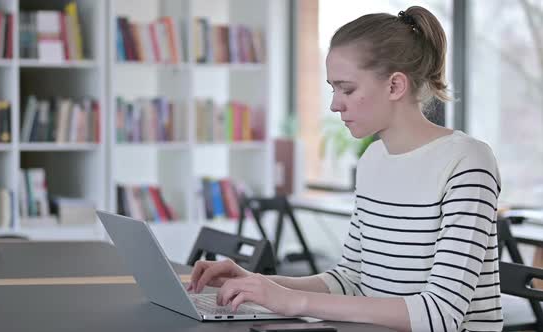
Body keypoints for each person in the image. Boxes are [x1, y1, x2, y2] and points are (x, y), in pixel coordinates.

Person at [188, 6, 502, 332]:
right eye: (333, 88)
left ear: (395, 86)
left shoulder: (466, 162)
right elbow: (349, 278)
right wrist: (259, 284)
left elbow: (439, 314)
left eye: (347, 88)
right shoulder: (372, 161)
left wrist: (294, 301)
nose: (335, 104)